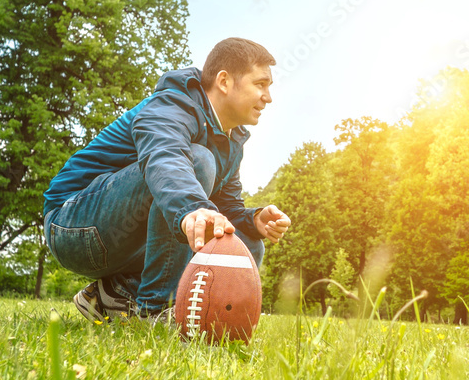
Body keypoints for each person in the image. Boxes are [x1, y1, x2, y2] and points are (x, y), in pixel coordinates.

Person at [42, 37, 291, 323]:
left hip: (124, 241)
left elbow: (224, 208)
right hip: (73, 226)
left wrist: (253, 220)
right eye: (260, 84)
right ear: (224, 81)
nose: (268, 97)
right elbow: (165, 158)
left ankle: (113, 295)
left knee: (245, 241)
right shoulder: (173, 104)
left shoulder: (232, 139)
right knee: (197, 161)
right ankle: (155, 310)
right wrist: (190, 208)